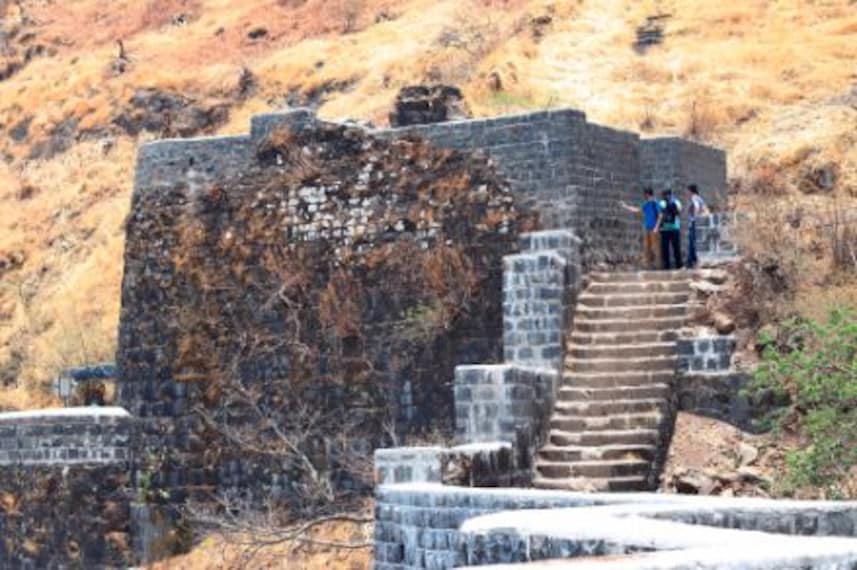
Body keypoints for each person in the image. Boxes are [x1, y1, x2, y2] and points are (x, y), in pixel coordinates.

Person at [620, 188, 660, 269]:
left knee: (656, 248)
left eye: (645, 194)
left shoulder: (655, 203)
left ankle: (658, 266)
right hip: (647, 229)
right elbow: (637, 210)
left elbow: (660, 216)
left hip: (654, 229)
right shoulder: (646, 204)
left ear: (648, 194)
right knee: (646, 248)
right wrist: (626, 206)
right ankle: (647, 266)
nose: (644, 196)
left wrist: (656, 227)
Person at [655, 189, 682, 270]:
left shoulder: (661, 203)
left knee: (665, 249)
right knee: (676, 247)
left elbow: (660, 215)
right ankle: (679, 265)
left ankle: (666, 266)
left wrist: (657, 227)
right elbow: (679, 212)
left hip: (664, 228)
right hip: (675, 227)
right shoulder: (677, 202)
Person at [685, 184, 709, 268]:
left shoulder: (694, 197)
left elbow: (696, 206)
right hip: (697, 223)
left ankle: (691, 262)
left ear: (690, 191)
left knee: (692, 242)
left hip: (694, 222)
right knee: (693, 242)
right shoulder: (699, 198)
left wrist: (695, 218)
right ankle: (692, 262)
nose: (686, 193)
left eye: (687, 191)